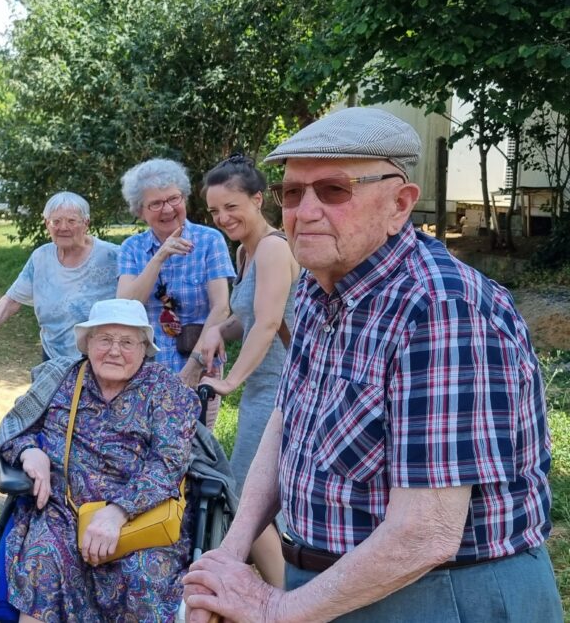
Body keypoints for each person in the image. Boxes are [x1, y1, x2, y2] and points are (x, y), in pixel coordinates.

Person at [183, 107, 560, 622]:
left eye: (333, 190)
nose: (305, 211)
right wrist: (230, 554)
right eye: (291, 193)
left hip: (441, 596)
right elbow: (287, 422)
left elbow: (425, 533)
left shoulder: (440, 308)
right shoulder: (319, 286)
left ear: (399, 204)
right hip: (339, 587)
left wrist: (276, 609)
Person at [0, 298, 199, 622]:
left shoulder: (167, 389)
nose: (114, 351)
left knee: (143, 577)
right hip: (62, 512)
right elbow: (14, 429)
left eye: (127, 342)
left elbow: (168, 462)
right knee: (42, 561)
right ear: (87, 343)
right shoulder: (61, 379)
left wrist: (118, 511)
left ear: (144, 348)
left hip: (141, 516)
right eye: (105, 340)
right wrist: (30, 452)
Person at [194, 154, 299, 588]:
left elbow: (270, 323)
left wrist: (229, 381)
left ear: (258, 199)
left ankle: (286, 599)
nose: (222, 218)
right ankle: (286, 596)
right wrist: (219, 330)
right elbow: (248, 318)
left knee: (243, 495)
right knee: (251, 497)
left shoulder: (274, 248)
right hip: (261, 388)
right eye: (215, 211)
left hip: (282, 388)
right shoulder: (245, 251)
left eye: (231, 206)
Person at [115, 159, 235, 404]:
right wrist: (159, 257)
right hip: (142, 370)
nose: (168, 209)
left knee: (197, 429)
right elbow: (125, 306)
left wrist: (193, 366)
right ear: (140, 211)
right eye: (156, 203)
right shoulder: (131, 248)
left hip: (200, 365)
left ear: (184, 198)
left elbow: (221, 308)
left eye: (173, 198)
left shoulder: (209, 240)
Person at [0, 191, 119, 361]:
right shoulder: (41, 257)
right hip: (53, 357)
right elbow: (12, 300)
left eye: (71, 221)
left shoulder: (113, 256)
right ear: (47, 224)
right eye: (56, 221)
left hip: (100, 360)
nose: (63, 227)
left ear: (86, 223)